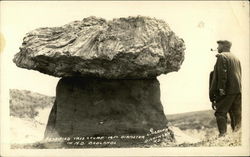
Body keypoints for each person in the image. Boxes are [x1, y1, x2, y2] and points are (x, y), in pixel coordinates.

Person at [209, 40, 241, 137]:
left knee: (220, 112)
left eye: (219, 46)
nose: (217, 48)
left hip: (227, 90)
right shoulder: (236, 58)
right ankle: (237, 134)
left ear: (224, 46)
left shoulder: (222, 56)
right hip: (237, 90)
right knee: (235, 113)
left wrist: (221, 90)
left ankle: (223, 135)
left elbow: (223, 75)